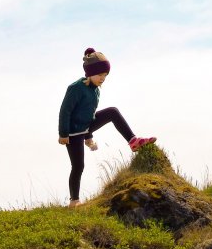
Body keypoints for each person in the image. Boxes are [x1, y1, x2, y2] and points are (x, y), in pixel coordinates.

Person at [58, 48, 156, 207]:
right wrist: (63, 134)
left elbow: (88, 114)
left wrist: (89, 136)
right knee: (78, 166)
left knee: (112, 112)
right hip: (73, 133)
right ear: (90, 73)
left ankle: (133, 141)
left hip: (86, 127)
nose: (103, 78)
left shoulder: (95, 90)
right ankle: (74, 201)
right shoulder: (76, 88)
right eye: (100, 75)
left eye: (105, 75)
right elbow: (65, 111)